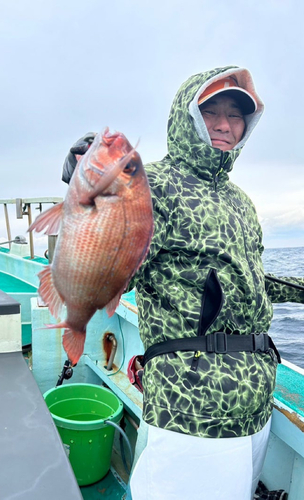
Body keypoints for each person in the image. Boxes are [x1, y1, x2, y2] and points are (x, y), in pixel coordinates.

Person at [61, 66, 304, 500]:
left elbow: (250, 281)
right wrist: (88, 197)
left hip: (253, 408)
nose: (226, 125)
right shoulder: (150, 185)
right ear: (188, 114)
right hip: (190, 408)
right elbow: (106, 264)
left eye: (236, 115)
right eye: (213, 112)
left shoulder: (240, 201)